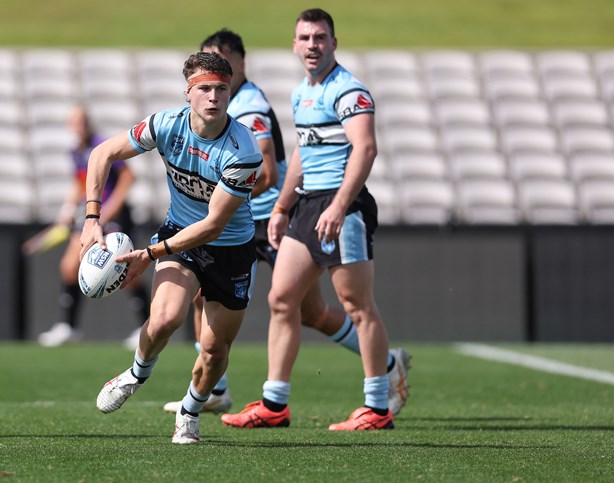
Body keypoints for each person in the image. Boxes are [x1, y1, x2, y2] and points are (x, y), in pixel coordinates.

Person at [164, 29, 410, 420]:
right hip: (267, 215)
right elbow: (297, 151)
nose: (213, 75)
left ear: (238, 62)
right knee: (271, 303)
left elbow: (264, 170)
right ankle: (230, 392)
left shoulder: (249, 105)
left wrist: (239, 204)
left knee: (321, 308)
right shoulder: (270, 96)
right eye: (206, 65)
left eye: (220, 62)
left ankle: (384, 374)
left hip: (255, 220)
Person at [220, 9, 403, 431]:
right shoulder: (302, 92)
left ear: (334, 43)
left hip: (344, 206)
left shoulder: (349, 90)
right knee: (282, 299)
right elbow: (302, 152)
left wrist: (340, 206)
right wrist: (282, 207)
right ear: (294, 45)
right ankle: (274, 404)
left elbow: (365, 149)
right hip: (305, 206)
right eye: (304, 38)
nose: (312, 45)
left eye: (320, 37)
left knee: (358, 307)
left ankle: (377, 409)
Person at [82, 51, 263, 444]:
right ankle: (135, 374)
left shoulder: (243, 150)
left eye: (221, 89)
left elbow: (214, 224)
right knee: (165, 319)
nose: (213, 97)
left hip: (230, 249)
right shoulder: (165, 125)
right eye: (204, 89)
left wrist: (149, 255)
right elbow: (102, 153)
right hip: (179, 236)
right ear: (188, 93)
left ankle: (190, 410)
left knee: (214, 351)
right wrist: (92, 217)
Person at [23, 106, 149, 349]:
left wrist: (110, 208)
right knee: (69, 267)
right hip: (91, 214)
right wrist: (68, 208)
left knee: (127, 271)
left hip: (114, 215)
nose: (78, 126)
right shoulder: (76, 151)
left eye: (81, 122)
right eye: (74, 122)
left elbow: (127, 178)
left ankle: (145, 326)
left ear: (88, 123)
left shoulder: (101, 144)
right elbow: (80, 183)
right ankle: (69, 327)